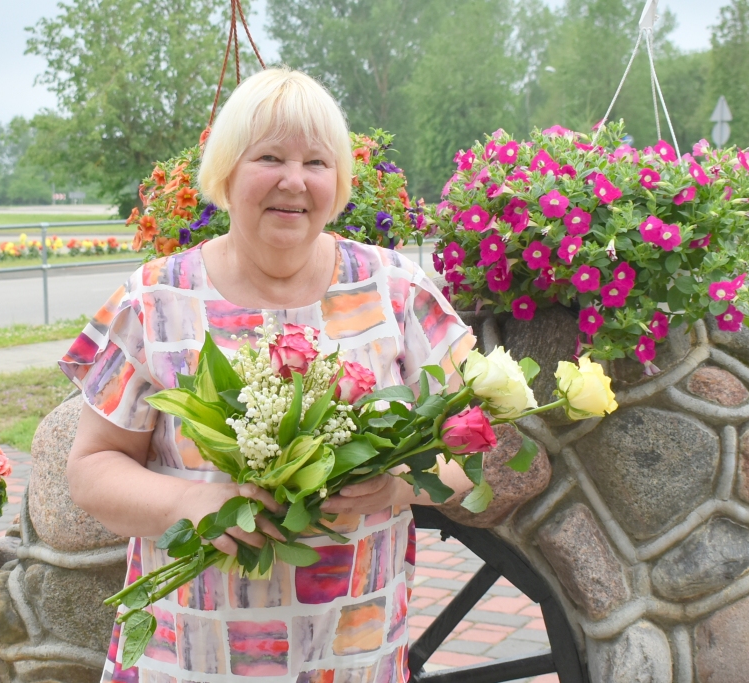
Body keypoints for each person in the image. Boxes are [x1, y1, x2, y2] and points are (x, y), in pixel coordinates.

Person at [60, 67, 477, 683]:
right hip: (190, 656)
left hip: (351, 653)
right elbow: (91, 471)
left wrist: (398, 486)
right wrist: (193, 502)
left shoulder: (395, 290)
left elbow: (472, 445)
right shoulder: (155, 299)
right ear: (227, 170)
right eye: (270, 157)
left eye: (317, 161)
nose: (294, 180)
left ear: (338, 181)